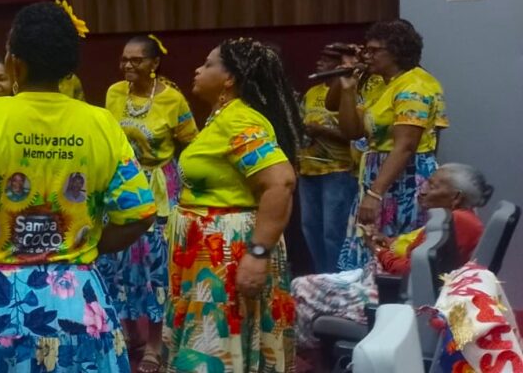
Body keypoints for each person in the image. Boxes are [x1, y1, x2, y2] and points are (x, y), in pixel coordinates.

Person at [0, 1, 156, 371]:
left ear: (15, 62)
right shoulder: (102, 124)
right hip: (78, 303)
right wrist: (90, 244)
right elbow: (140, 213)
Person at [164, 38, 304, 373]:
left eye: (208, 64)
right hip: (206, 256)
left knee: (213, 347)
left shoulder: (240, 120)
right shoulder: (222, 118)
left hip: (225, 254)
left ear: (229, 79)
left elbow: (280, 182)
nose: (198, 70)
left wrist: (257, 254)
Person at [293, 163, 491, 349]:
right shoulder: (456, 218)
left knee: (300, 287)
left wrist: (378, 250)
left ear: (456, 197)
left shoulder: (455, 223)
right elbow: (413, 253)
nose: (423, 189)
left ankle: (312, 356)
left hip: (396, 296)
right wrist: (384, 241)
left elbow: (411, 272)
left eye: (432, 186)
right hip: (392, 284)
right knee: (312, 284)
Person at [97, 34, 198, 373]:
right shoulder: (114, 93)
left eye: (136, 60)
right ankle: (130, 333)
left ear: (154, 63)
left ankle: (155, 342)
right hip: (121, 184)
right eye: (124, 59)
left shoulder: (173, 100)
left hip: (159, 190)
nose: (127, 65)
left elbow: (191, 144)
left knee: (155, 268)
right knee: (118, 262)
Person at [335, 20, 449, 271]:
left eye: (374, 50)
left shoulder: (415, 86)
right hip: (376, 175)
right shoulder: (380, 84)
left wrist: (375, 194)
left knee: (398, 251)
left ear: (397, 52)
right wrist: (348, 90)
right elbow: (352, 131)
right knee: (369, 246)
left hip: (404, 179)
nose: (367, 56)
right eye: (367, 50)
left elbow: (405, 146)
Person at [298, 43, 361, 274]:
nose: (319, 63)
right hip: (308, 168)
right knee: (310, 228)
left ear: (340, 65)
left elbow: (357, 134)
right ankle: (320, 276)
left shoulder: (351, 92)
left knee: (333, 231)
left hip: (337, 170)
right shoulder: (311, 93)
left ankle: (337, 277)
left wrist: (323, 131)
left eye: (326, 60)